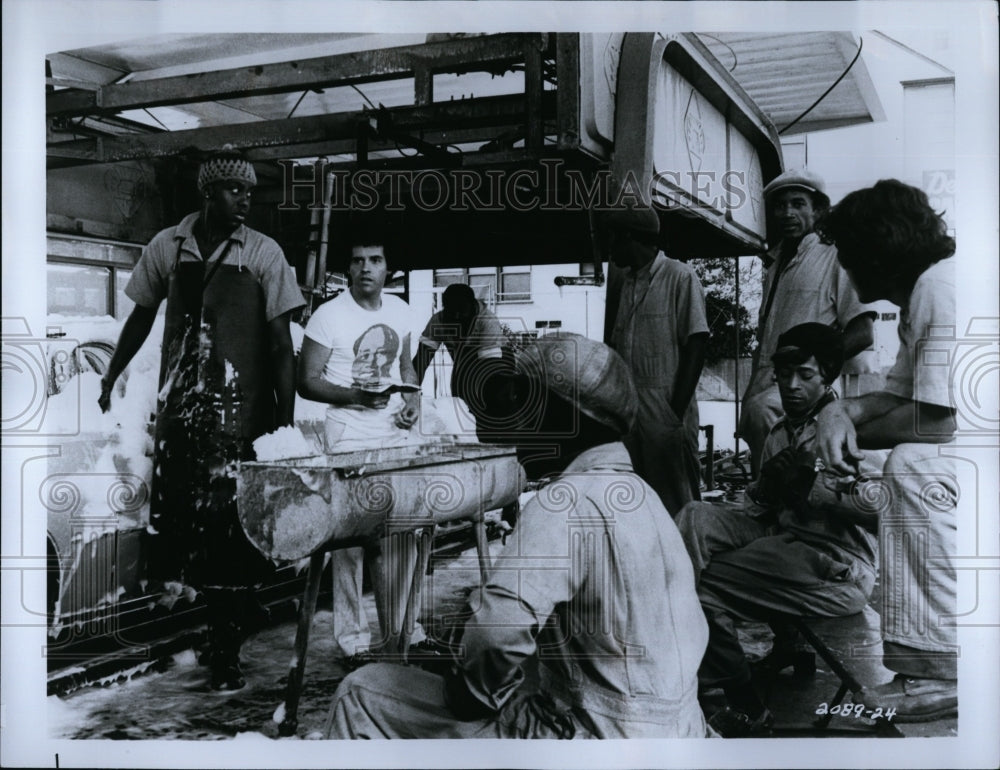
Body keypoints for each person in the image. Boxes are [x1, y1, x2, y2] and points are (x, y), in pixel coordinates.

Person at [325, 333, 710, 738]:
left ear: (564, 417)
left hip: (595, 739)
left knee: (361, 692)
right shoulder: (646, 498)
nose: (512, 421)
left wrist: (470, 691)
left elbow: (497, 633)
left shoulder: (562, 502)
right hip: (679, 731)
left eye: (525, 403)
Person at [98, 146, 305, 690]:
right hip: (184, 417)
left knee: (232, 537)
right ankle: (221, 623)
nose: (246, 202)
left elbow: (283, 347)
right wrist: (109, 373)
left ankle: (227, 646)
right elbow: (141, 317)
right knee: (187, 536)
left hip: (242, 419)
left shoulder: (263, 252)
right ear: (208, 193)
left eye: (251, 193)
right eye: (236, 191)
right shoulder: (168, 246)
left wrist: (284, 423)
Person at [675, 323, 881, 737]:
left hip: (837, 567)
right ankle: (679, 632)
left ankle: (744, 702)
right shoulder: (779, 431)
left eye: (804, 375)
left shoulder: (847, 430)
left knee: (701, 585)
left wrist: (816, 489)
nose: (791, 386)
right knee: (694, 516)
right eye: (783, 375)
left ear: (828, 376)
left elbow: (885, 510)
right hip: (785, 545)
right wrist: (767, 487)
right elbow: (761, 509)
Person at [814, 179, 958, 722]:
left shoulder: (938, 289)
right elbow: (898, 394)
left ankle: (940, 668)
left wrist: (846, 425)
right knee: (891, 464)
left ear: (878, 251)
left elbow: (940, 420)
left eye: (849, 256)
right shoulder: (925, 289)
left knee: (911, 466)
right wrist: (839, 411)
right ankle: (927, 656)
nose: (846, 270)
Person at [297, 232, 437, 667]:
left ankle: (407, 631)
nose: (366, 269)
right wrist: (355, 398)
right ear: (348, 269)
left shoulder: (401, 309)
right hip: (350, 438)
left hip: (394, 435)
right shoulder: (328, 315)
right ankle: (353, 641)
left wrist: (412, 401)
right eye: (357, 261)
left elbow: (408, 368)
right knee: (351, 543)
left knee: (403, 533)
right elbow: (307, 379)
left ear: (386, 267)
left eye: (374, 260)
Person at [740, 168, 876, 476]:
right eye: (780, 205)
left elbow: (862, 332)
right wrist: (750, 390)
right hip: (767, 382)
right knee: (766, 466)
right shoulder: (775, 263)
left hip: (804, 384)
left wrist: (815, 365)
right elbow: (765, 339)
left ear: (818, 210)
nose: (787, 212)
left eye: (798, 203)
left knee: (794, 471)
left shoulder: (834, 255)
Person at [602, 203, 710, 516]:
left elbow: (697, 344)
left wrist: (673, 416)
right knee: (641, 504)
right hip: (632, 414)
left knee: (679, 505)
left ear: (628, 237)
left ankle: (690, 564)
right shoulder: (628, 284)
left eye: (613, 239)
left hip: (666, 410)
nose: (610, 249)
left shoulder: (680, 276)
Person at [413, 282, 509, 431]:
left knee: (493, 399)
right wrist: (409, 393)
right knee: (459, 403)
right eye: (452, 312)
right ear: (445, 308)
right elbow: (421, 360)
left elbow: (490, 370)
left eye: (461, 311)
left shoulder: (487, 320)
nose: (457, 316)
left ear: (472, 306)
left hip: (498, 361)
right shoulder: (438, 320)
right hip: (463, 359)